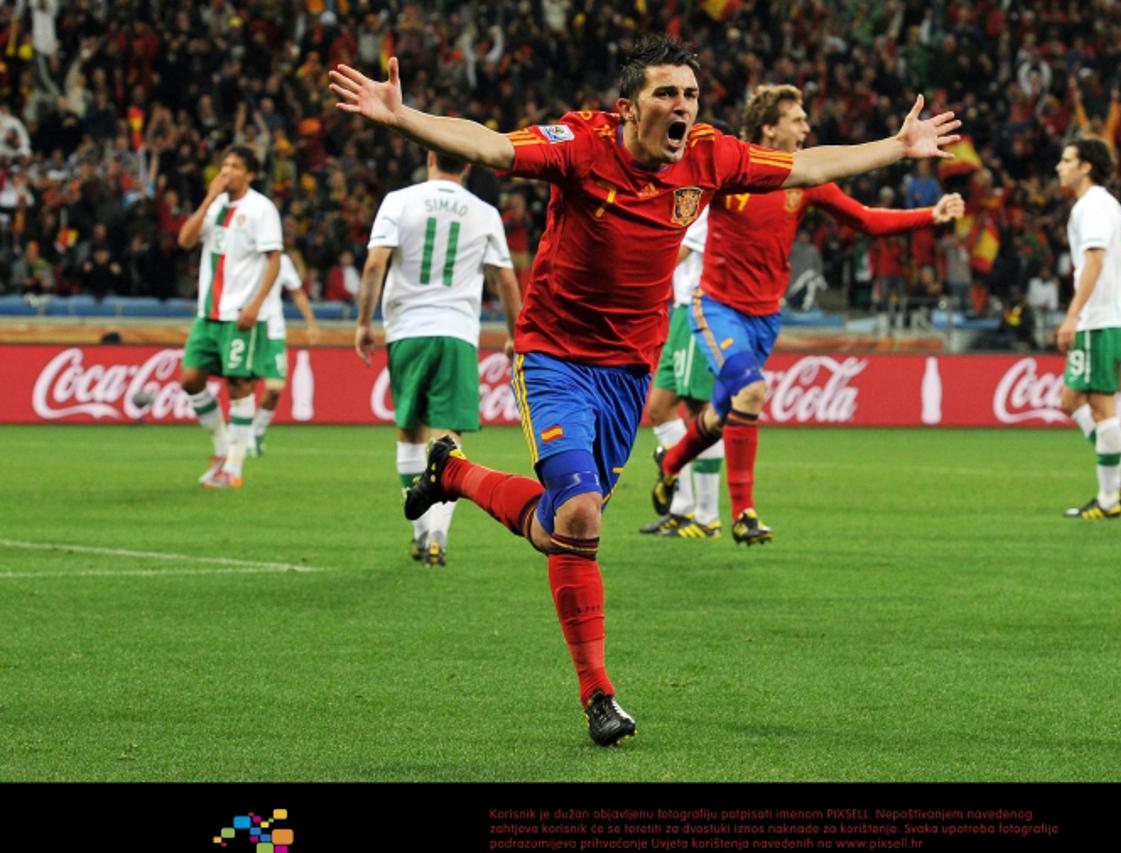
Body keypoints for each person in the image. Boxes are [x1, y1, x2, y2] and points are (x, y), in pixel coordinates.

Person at [330, 35, 959, 745]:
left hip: (630, 369)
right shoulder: (580, 142)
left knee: (563, 527)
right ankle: (599, 694)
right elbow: (494, 149)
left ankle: (455, 472)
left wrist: (898, 146)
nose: (682, 107)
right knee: (581, 516)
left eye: (690, 95)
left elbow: (809, 166)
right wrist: (405, 115)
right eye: (667, 94)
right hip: (554, 356)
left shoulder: (710, 157)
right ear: (629, 108)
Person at [651, 84, 965, 544]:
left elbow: (866, 220)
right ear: (769, 128)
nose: (806, 127)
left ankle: (672, 462)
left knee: (722, 413)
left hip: (765, 317)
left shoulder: (804, 180)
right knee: (752, 392)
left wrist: (929, 215)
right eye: (797, 119)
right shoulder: (729, 168)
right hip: (715, 307)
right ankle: (744, 513)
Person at [356, 150, 521, 567]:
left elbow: (376, 263)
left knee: (410, 433)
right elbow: (505, 278)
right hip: (457, 333)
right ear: (466, 164)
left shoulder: (398, 200)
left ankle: (419, 532)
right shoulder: (484, 212)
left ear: (429, 156)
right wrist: (515, 334)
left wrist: (363, 322)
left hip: (407, 330)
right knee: (448, 438)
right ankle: (438, 537)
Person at [1053, 137, 1121, 519]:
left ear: (1085, 166)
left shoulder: (1091, 206)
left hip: (1099, 318)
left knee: (1100, 405)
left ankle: (1110, 497)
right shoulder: (1107, 205)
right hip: (1109, 317)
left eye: (1066, 160)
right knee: (1070, 400)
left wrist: (1074, 314)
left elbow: (1093, 261)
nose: (1060, 167)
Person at [177, 145, 282, 489]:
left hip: (239, 314)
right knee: (191, 380)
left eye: (235, 166)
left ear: (249, 174)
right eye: (224, 165)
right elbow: (185, 240)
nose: (227, 171)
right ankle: (222, 449)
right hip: (208, 314)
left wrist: (255, 305)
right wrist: (208, 199)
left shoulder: (261, 209)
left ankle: (234, 468)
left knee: (239, 385)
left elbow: (274, 260)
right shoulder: (215, 207)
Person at [639, 206, 725, 539]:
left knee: (700, 409)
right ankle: (681, 506)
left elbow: (676, 252)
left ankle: (707, 517)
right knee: (660, 410)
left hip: (699, 307)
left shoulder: (708, 204)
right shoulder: (683, 197)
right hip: (679, 312)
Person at [251, 251, 321, 458]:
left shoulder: (280, 260)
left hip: (273, 331)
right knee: (241, 386)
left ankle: (256, 431)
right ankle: (239, 439)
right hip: (243, 329)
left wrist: (311, 324)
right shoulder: (239, 254)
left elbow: (297, 292)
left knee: (274, 389)